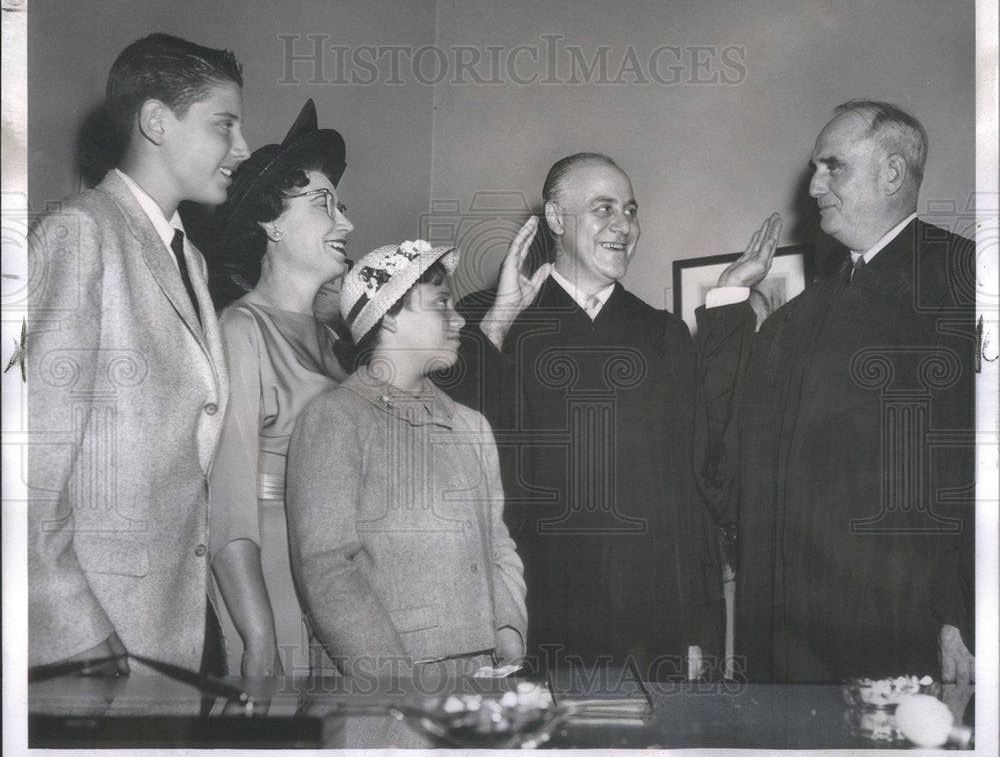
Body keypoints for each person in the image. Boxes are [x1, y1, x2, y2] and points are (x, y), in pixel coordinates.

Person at [698, 101, 976, 683]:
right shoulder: (795, 319)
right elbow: (726, 462)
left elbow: (980, 466)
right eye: (814, 168)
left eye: (833, 167)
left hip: (901, 627)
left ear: (893, 173)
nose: (814, 184)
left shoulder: (965, 281)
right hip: (788, 633)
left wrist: (965, 616)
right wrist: (726, 303)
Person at [447, 153, 724, 678]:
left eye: (631, 210)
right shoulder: (498, 324)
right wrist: (500, 320)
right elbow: (449, 450)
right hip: (535, 614)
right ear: (555, 219)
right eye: (603, 208)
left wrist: (697, 628)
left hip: (650, 620)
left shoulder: (663, 335)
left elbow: (691, 490)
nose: (624, 225)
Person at [27, 33, 250, 675]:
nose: (240, 148)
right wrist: (73, 631)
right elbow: (28, 471)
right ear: (156, 121)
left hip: (172, 623)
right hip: (96, 635)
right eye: (223, 126)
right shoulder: (80, 233)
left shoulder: (191, 258)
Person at [285, 241, 527, 679]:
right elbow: (325, 566)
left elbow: (497, 541)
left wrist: (509, 627)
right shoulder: (335, 419)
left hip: (481, 673)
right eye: (440, 304)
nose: (459, 319)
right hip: (393, 679)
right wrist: (393, 677)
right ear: (389, 316)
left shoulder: (470, 426)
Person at [208, 100, 354, 676]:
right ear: (271, 223)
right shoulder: (240, 331)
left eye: (340, 206)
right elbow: (227, 507)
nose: (345, 223)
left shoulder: (337, 343)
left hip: (336, 592)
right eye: (324, 204)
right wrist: (260, 637)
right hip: (270, 595)